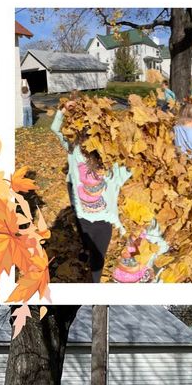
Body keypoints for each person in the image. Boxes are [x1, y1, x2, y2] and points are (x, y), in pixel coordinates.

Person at [52, 98, 131, 283]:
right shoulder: (111, 163)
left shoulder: (76, 153)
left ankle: (89, 267)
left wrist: (63, 110)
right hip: (98, 221)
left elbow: (55, 128)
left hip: (89, 219)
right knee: (96, 259)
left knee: (92, 254)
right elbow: (135, 164)